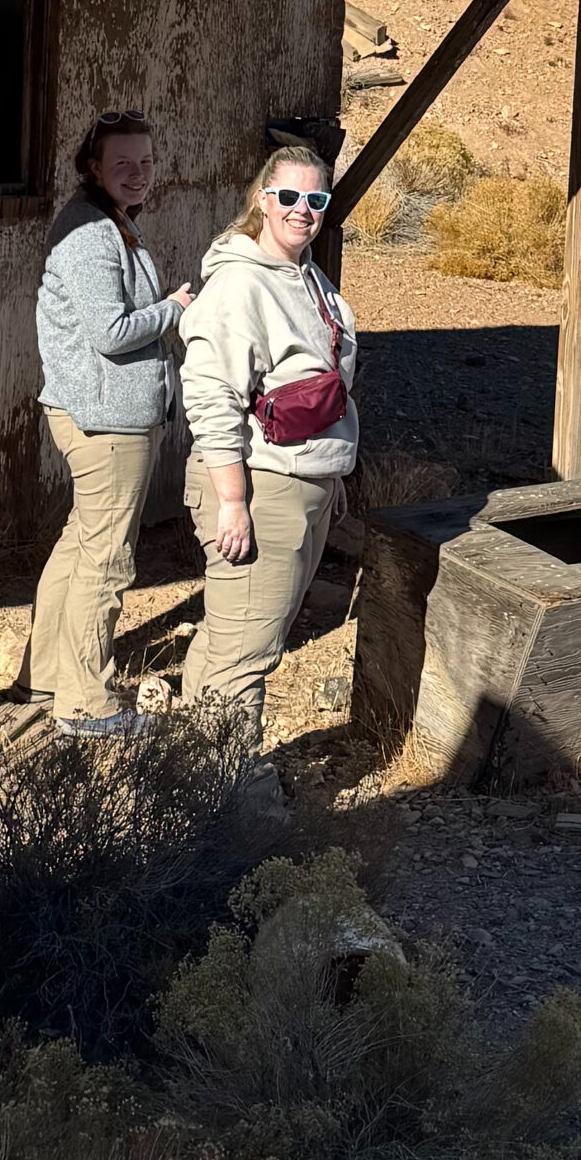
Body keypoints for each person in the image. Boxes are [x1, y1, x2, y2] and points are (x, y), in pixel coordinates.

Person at [180, 137, 359, 746]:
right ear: (263, 200)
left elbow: (320, 386)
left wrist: (330, 475)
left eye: (316, 197)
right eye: (288, 196)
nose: (301, 209)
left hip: (300, 479)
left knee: (230, 640)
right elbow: (210, 396)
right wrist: (233, 500)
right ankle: (233, 804)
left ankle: (188, 777)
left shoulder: (306, 277)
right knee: (244, 655)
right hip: (260, 485)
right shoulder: (240, 285)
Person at [30, 109, 191, 739]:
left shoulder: (109, 221)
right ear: (93, 166)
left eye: (146, 161)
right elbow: (110, 332)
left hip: (98, 412)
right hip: (107, 421)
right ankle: (86, 704)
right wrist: (173, 309)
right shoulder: (91, 233)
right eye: (123, 163)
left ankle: (46, 675)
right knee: (108, 561)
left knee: (80, 546)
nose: (138, 173)